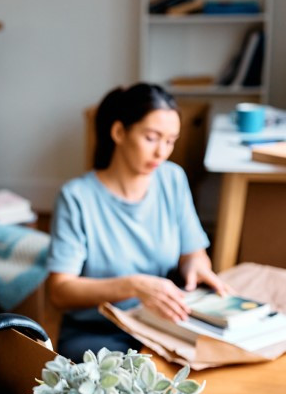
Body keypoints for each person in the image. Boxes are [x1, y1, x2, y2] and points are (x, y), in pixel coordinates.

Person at [45, 83, 229, 362]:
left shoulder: (172, 179)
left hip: (160, 323)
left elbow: (194, 253)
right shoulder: (77, 197)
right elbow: (59, 291)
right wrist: (133, 286)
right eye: (152, 138)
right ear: (119, 132)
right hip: (99, 332)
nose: (162, 153)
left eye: (171, 141)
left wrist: (196, 270)